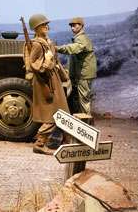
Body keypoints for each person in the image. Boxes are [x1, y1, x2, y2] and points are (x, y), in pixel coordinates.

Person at [24, 14, 70, 155]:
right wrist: (48, 60)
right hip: (45, 81)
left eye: (46, 24)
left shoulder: (46, 41)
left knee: (62, 111)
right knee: (53, 113)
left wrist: (64, 76)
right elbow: (35, 65)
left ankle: (67, 141)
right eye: (43, 24)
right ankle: (40, 143)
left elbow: (56, 61)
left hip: (53, 79)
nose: (46, 26)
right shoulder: (37, 44)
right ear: (36, 28)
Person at [55, 17, 97, 115]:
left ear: (81, 26)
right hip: (81, 73)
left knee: (84, 100)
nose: (72, 28)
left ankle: (87, 124)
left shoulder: (82, 39)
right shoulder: (79, 38)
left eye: (74, 26)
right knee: (79, 99)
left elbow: (73, 48)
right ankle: (82, 120)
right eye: (71, 26)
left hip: (84, 74)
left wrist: (56, 48)